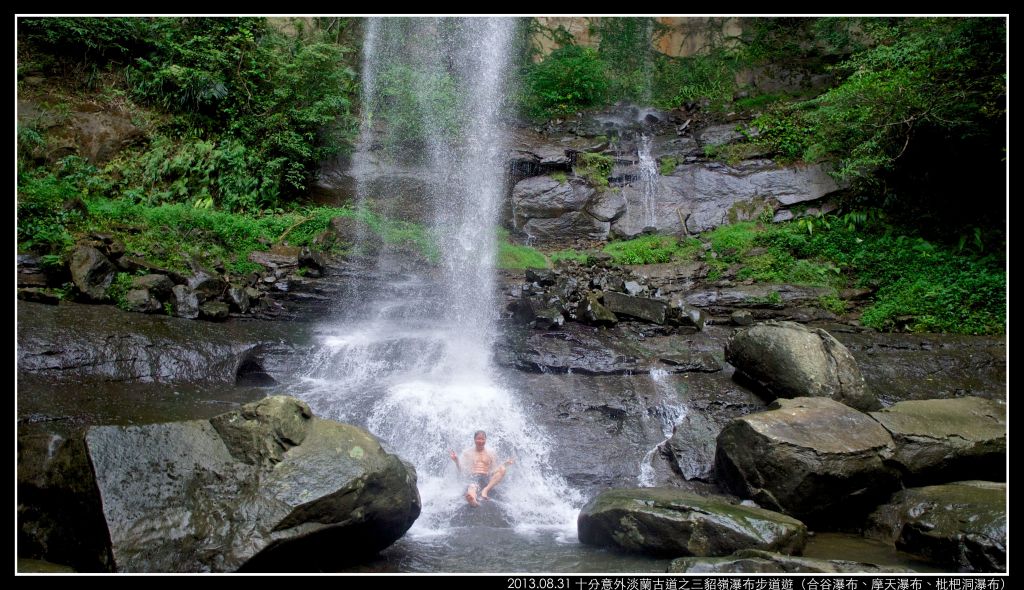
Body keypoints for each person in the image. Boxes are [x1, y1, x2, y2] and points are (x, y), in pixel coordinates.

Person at [448, 430, 515, 507]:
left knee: (503, 468)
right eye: (478, 439)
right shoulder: (467, 453)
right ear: (474, 440)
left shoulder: (491, 453)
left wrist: (505, 464)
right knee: (472, 487)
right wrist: (456, 460)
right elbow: (462, 471)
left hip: (486, 478)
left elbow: (494, 470)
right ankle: (473, 501)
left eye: (482, 439)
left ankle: (485, 490)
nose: (480, 441)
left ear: (486, 440)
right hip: (473, 477)